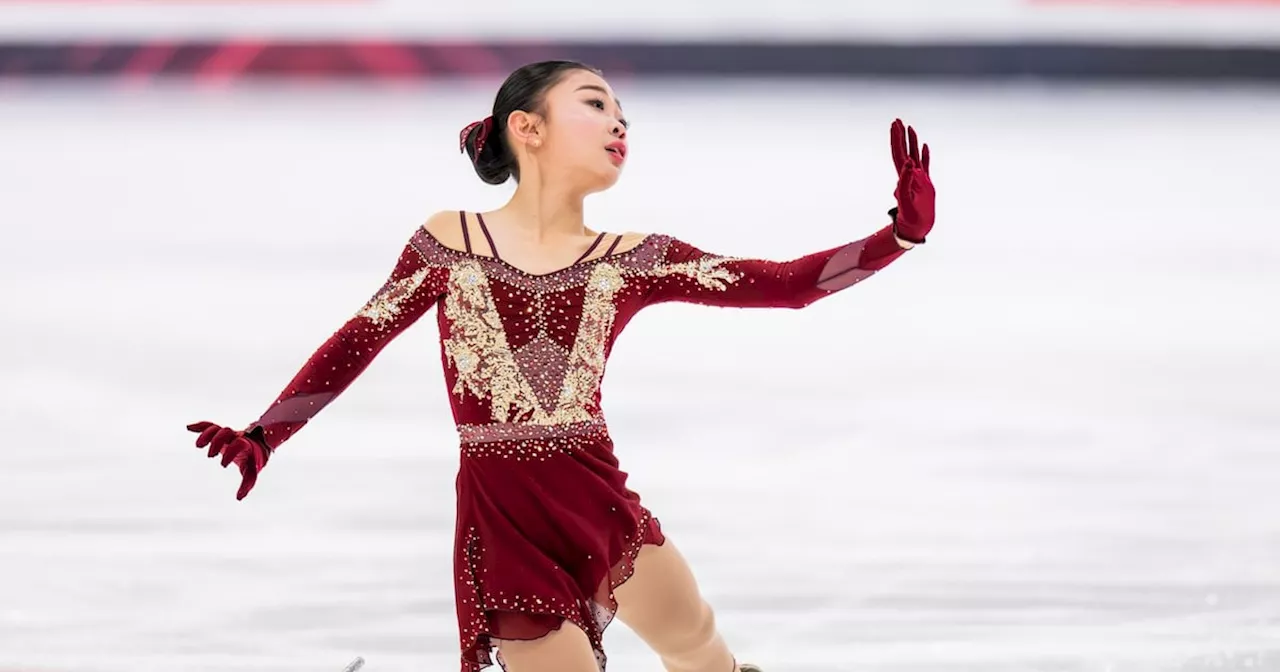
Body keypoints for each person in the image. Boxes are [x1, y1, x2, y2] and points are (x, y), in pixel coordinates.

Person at [186, 60, 937, 672]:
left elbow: (785, 286)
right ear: (527, 128)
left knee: (701, 650)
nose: (619, 125)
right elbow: (362, 336)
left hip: (600, 504)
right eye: (595, 104)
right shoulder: (450, 242)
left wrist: (895, 238)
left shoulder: (633, 259)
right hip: (503, 522)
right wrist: (265, 433)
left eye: (624, 117)